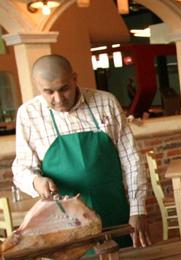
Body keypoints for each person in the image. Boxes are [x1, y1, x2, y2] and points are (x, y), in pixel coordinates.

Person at [12, 54, 150, 248]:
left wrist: (137, 210)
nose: (58, 99)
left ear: (74, 78)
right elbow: (21, 169)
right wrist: (37, 181)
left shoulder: (105, 102)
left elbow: (131, 159)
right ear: (37, 87)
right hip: (64, 223)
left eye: (64, 89)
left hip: (115, 212)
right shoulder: (28, 114)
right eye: (48, 92)